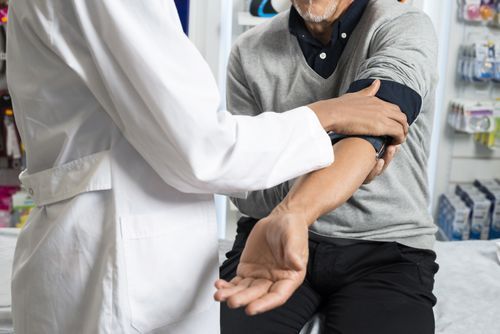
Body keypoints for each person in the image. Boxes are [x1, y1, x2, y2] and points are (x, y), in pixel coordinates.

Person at [5, 0, 407, 333]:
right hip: (111, 265)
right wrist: (327, 116)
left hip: (107, 251)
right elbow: (206, 150)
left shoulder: (398, 25)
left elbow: (381, 116)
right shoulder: (249, 48)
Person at [215, 0, 439, 333]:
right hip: (269, 243)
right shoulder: (249, 51)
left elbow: (373, 127)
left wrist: (293, 210)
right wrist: (339, 134)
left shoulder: (402, 24)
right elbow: (244, 183)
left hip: (384, 249)